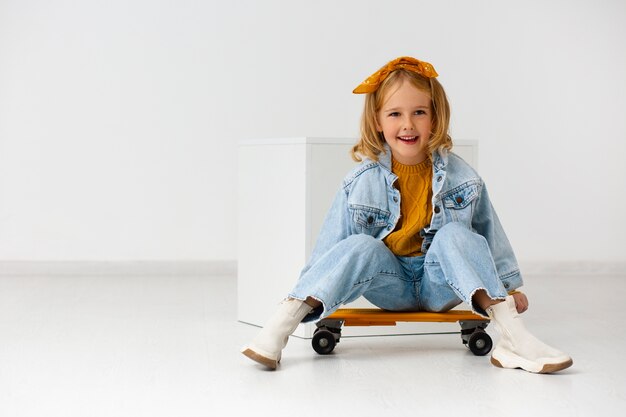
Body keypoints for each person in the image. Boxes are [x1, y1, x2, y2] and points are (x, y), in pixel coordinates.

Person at [241, 56, 573, 374]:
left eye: (419, 112)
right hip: (390, 282)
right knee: (361, 244)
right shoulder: (360, 181)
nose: (408, 125)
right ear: (377, 121)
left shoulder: (463, 177)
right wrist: (307, 287)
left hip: (439, 282)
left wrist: (511, 287)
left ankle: (515, 339)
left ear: (435, 117)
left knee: (455, 234)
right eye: (395, 114)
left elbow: (488, 234)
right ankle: (280, 324)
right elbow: (331, 249)